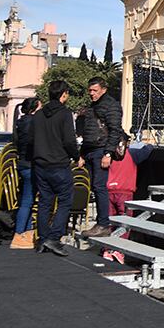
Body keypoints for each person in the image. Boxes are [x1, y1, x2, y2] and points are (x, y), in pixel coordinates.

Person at [32, 80, 79, 257]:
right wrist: (76, 156)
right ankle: (54, 236)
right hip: (59, 163)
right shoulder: (65, 114)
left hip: (40, 164)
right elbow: (69, 140)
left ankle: (43, 238)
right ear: (64, 94)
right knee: (65, 200)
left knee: (45, 202)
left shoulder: (38, 115)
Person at [77, 76, 123, 237]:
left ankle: (103, 223)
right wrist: (82, 154)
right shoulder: (93, 106)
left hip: (101, 150)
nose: (91, 93)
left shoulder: (111, 106)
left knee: (99, 186)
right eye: (90, 90)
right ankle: (100, 222)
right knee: (94, 187)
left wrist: (108, 153)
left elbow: (115, 130)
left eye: (94, 90)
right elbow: (88, 131)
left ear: (103, 90)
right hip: (90, 150)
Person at [9, 97, 40, 250]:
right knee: (27, 201)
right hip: (30, 165)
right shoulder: (32, 123)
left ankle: (27, 231)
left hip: (23, 163)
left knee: (27, 199)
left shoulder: (21, 122)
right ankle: (20, 233)